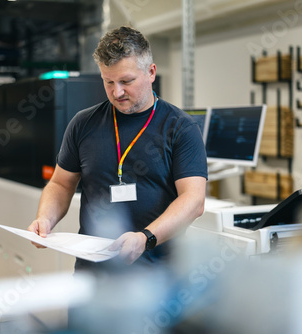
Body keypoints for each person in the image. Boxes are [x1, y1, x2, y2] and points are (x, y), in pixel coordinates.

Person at [27, 26, 207, 272]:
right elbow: (61, 184)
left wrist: (145, 238)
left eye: (126, 81)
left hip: (156, 274)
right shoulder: (83, 124)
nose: (117, 92)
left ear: (151, 72)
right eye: (108, 81)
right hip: (93, 272)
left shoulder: (181, 128)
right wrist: (45, 219)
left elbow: (193, 200)